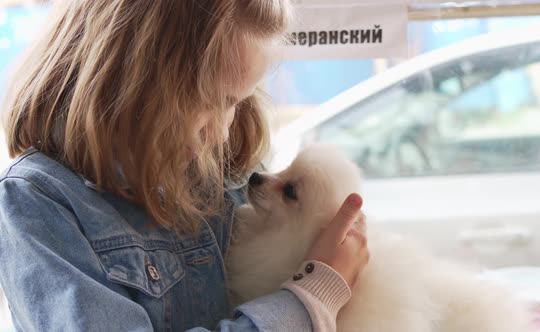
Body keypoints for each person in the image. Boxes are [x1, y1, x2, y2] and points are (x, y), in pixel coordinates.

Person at [0, 1, 369, 331]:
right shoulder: (38, 203)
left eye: (236, 104)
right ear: (136, 81)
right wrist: (310, 299)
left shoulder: (226, 165)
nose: (223, 133)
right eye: (212, 101)